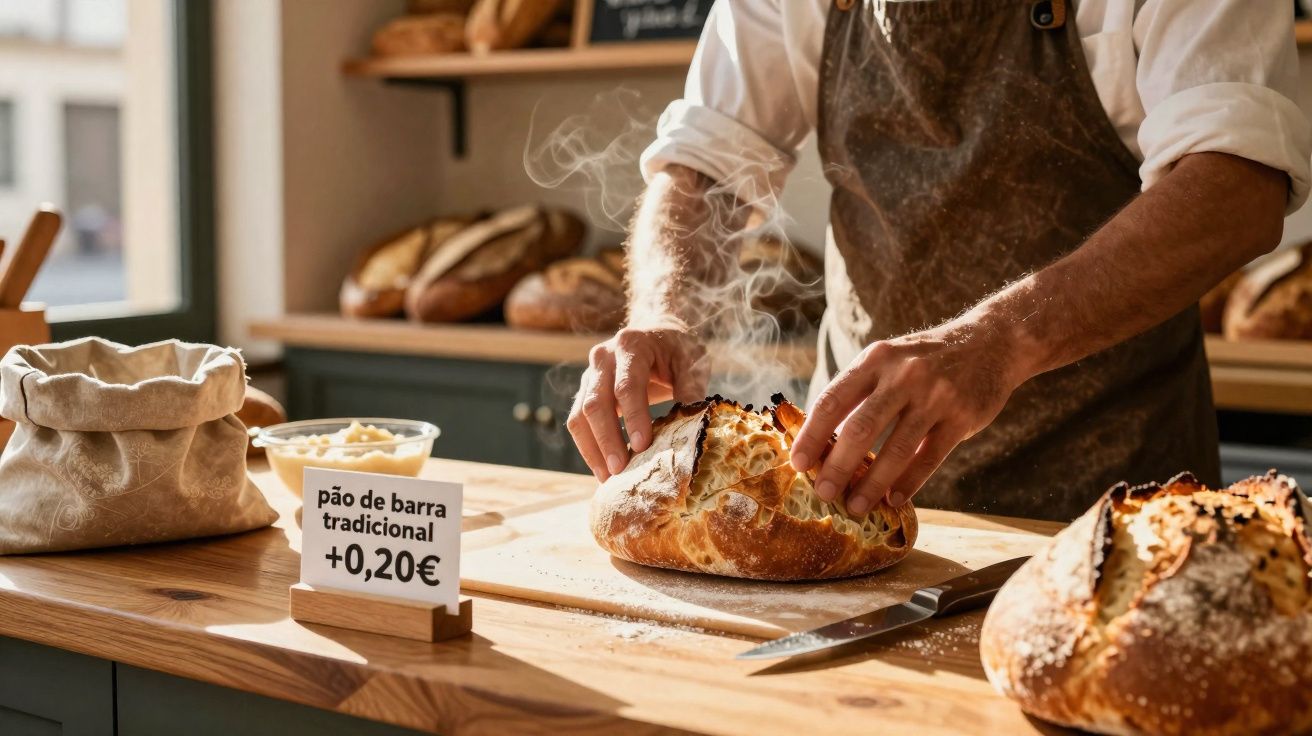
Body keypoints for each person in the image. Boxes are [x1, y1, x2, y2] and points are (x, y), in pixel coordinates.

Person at [567, 0, 1312, 521]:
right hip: (846, 482)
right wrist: (663, 309)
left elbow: (1236, 183)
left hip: (1115, 501)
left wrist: (997, 341)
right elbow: (705, 169)